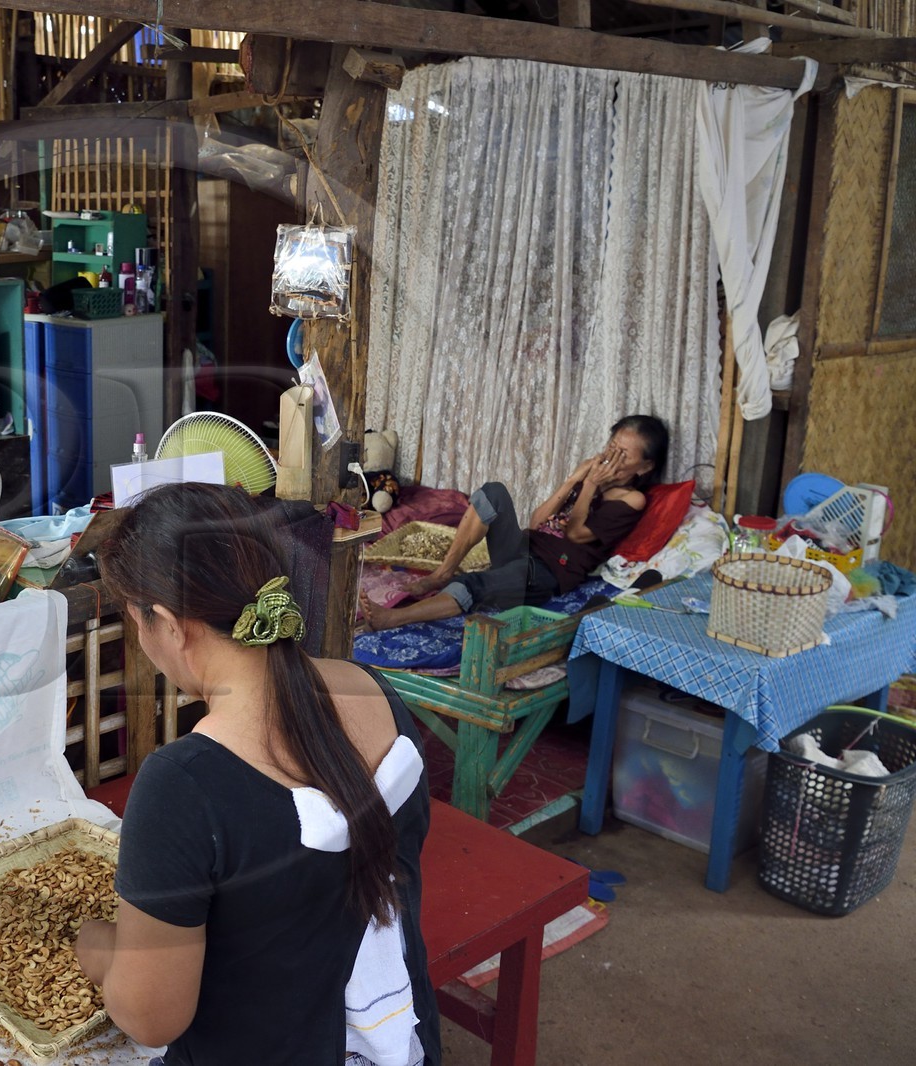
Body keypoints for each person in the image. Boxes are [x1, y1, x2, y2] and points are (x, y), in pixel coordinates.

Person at [79, 483, 439, 1065]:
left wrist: (98, 948)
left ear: (169, 623)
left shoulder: (185, 784)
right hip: (398, 1044)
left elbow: (151, 1017)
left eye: (135, 619)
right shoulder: (375, 691)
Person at [364, 415, 670, 631]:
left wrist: (590, 483)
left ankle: (391, 619)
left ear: (645, 466)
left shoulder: (631, 499)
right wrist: (573, 479)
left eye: (624, 455)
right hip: (524, 547)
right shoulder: (590, 479)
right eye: (612, 448)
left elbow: (576, 534)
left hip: (549, 571)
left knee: (474, 584)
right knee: (492, 492)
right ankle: (442, 573)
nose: (612, 459)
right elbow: (538, 521)